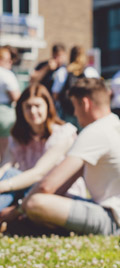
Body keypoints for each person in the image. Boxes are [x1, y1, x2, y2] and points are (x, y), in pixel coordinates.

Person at [1, 77, 120, 236]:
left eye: (74, 106)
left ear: (85, 104)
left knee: (35, 202)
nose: (74, 113)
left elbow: (47, 185)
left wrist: (15, 211)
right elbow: (65, 181)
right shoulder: (116, 126)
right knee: (37, 200)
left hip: (115, 221)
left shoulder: (95, 131)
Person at [0, 85, 86, 213]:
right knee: (10, 174)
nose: (33, 111)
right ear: (21, 110)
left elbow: (38, 173)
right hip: (28, 189)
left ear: (48, 107)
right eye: (28, 107)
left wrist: (3, 186)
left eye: (37, 106)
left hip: (57, 192)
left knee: (12, 176)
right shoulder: (19, 136)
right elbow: (5, 166)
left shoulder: (63, 133)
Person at [51, 45, 100, 125]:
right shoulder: (90, 72)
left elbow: (55, 94)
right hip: (86, 112)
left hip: (67, 112)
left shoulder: (63, 71)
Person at [0, 46, 21, 159]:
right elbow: (16, 96)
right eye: (8, 59)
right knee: (5, 151)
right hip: (4, 113)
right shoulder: (6, 74)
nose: (11, 62)